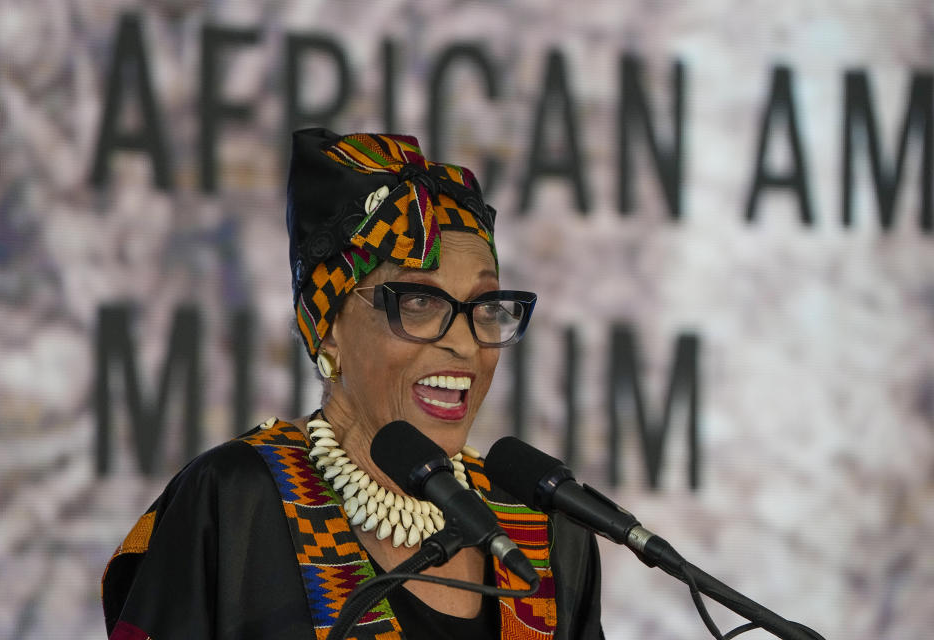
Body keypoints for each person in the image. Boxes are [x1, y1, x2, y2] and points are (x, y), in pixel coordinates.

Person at [102, 129, 604, 639]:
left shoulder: (543, 534)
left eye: (485, 306)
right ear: (332, 325)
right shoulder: (235, 503)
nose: (466, 344)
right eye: (419, 302)